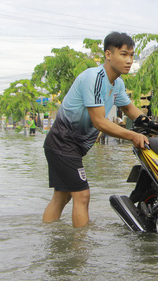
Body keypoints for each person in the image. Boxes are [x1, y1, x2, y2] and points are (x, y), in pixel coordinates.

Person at [42, 32, 150, 228]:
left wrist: (147, 122)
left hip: (68, 146)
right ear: (108, 55)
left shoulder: (116, 82)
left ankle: (50, 236)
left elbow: (128, 108)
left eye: (132, 55)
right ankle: (81, 252)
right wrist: (133, 135)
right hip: (63, 143)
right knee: (82, 196)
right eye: (123, 54)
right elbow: (100, 122)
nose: (129, 60)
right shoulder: (95, 78)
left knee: (62, 197)